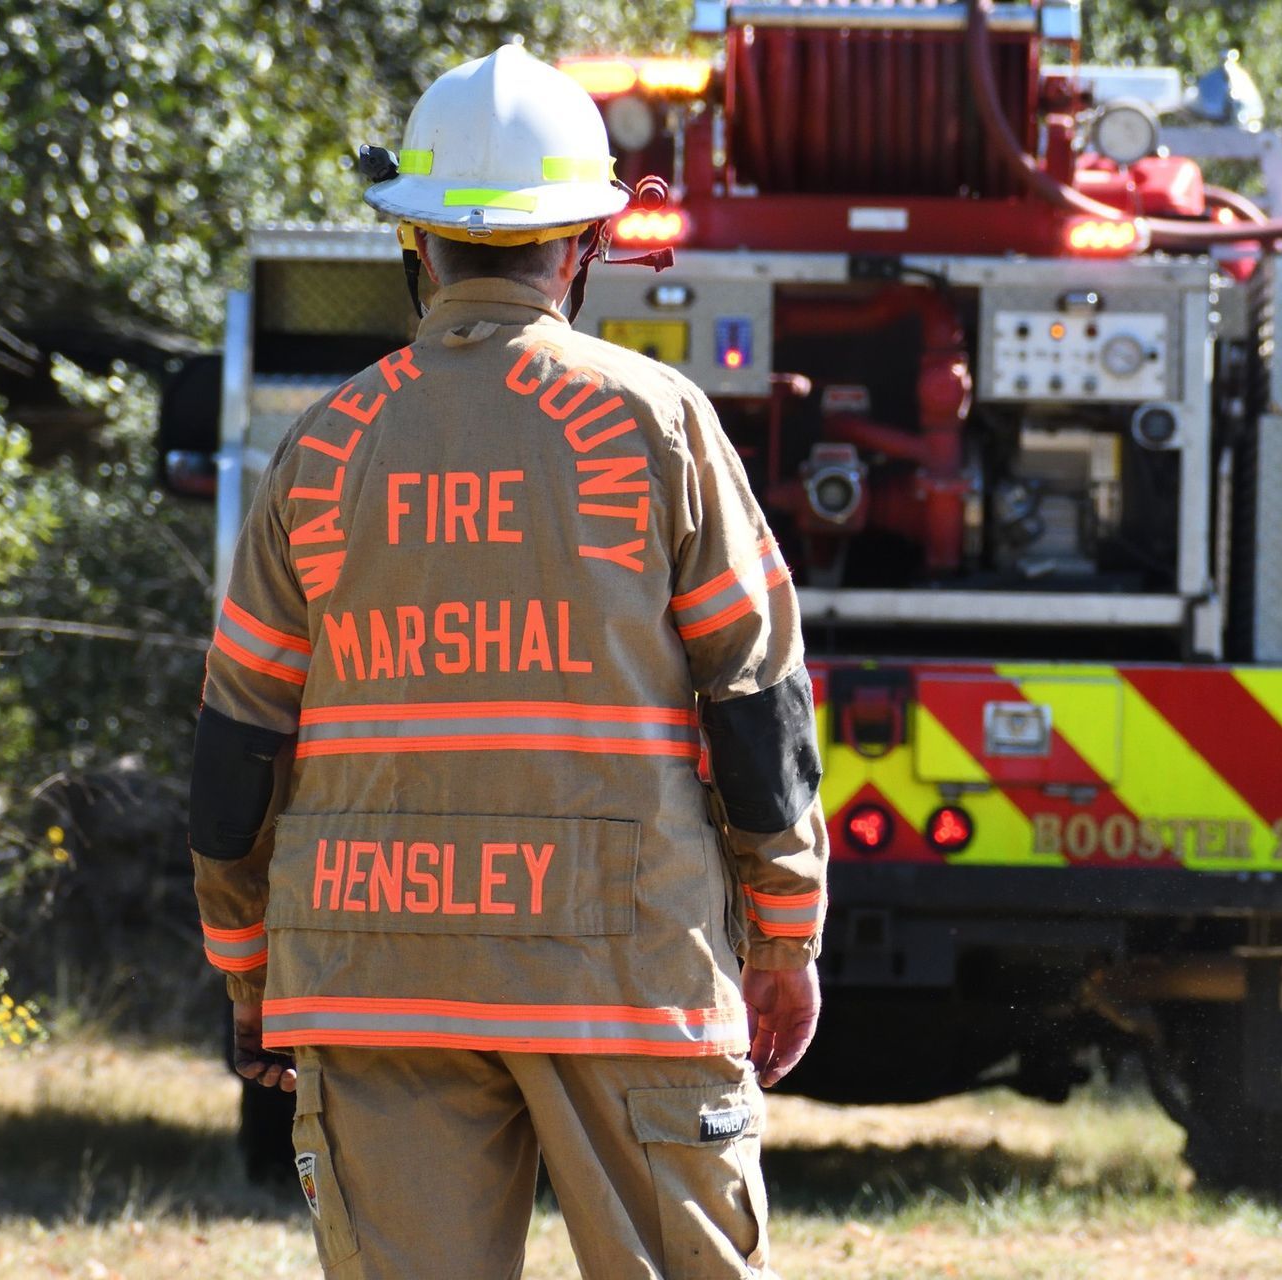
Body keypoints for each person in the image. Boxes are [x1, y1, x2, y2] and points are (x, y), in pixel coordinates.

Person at [188, 44, 828, 1278]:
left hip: (374, 973)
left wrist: (247, 963)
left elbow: (237, 744)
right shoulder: (660, 424)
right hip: (624, 964)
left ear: (414, 243)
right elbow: (757, 704)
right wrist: (786, 936)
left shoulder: (321, 447)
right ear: (583, 242)